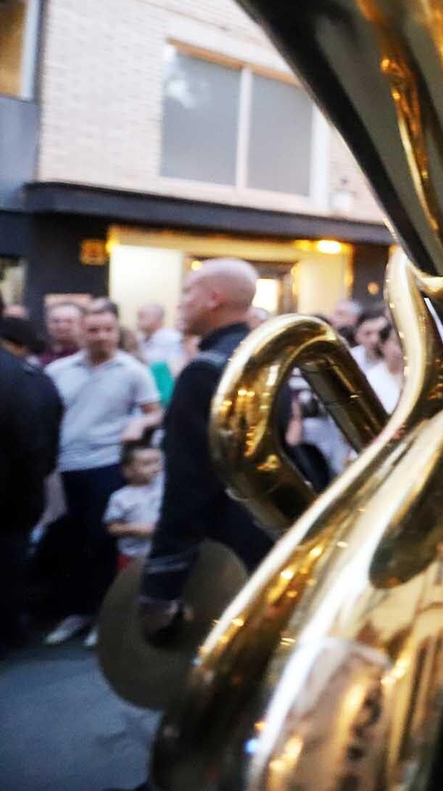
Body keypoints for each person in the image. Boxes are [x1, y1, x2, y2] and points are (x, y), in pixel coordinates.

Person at [139, 258, 272, 642]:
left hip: (218, 547)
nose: (180, 303)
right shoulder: (258, 357)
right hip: (260, 536)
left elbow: (187, 485)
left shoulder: (203, 370)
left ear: (213, 298)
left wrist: (162, 583)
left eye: (187, 292)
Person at [41, 300, 161, 646]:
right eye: (93, 330)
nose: (100, 336)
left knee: (102, 544)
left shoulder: (133, 370)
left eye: (107, 330)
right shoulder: (58, 371)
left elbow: (154, 412)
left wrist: (140, 422)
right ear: (81, 331)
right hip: (64, 466)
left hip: (106, 465)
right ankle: (76, 612)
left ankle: (102, 616)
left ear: (117, 331)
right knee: (69, 543)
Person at [0, 283, 62, 665]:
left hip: (13, 501)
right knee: (9, 569)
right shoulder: (33, 378)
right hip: (17, 503)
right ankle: (9, 632)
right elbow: (44, 450)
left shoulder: (25, 378)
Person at [104, 441, 164, 566]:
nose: (155, 467)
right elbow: (112, 527)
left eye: (157, 461)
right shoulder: (120, 498)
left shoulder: (164, 488)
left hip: (162, 553)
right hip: (132, 556)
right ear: (128, 471)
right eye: (146, 464)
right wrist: (136, 529)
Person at [136, 302, 185, 372]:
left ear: (157, 317)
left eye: (142, 316)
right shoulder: (137, 340)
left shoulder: (173, 339)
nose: (138, 320)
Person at [36, 300, 83, 366]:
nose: (62, 326)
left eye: (69, 321)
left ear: (82, 324)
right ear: (47, 324)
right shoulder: (37, 356)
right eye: (56, 321)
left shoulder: (88, 357)